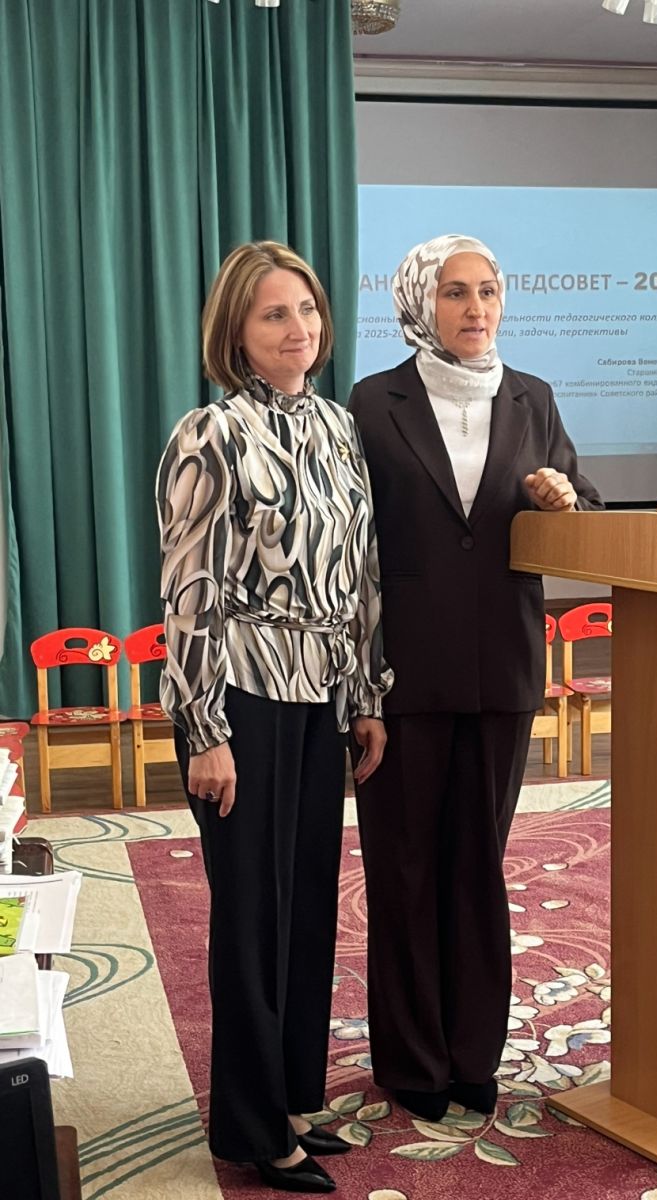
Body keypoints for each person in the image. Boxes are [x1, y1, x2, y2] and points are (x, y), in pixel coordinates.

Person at [348, 233, 603, 1121]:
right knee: (404, 868)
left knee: (477, 868)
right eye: (455, 292)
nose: (475, 308)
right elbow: (353, 546)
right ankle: (412, 1060)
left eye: (488, 290)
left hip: (502, 669)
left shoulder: (533, 397)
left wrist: (562, 499)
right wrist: (361, 677)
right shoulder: (372, 402)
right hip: (402, 675)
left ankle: (472, 1054)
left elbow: (581, 501)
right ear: (420, 301)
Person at [157, 241, 392, 1193]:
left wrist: (366, 696)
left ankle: (294, 1097)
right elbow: (189, 590)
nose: (299, 329)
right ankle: (252, 1129)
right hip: (240, 697)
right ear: (236, 332)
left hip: (321, 693)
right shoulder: (210, 434)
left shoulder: (338, 428)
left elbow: (362, 573)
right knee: (252, 919)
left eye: (308, 310)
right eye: (274, 314)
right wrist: (203, 728)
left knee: (305, 909)